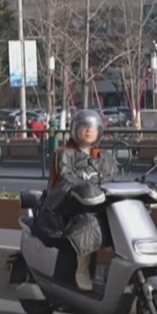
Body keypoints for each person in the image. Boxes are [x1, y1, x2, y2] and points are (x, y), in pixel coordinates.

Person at [38, 109, 118, 291]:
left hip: (98, 202)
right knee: (89, 222)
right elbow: (66, 179)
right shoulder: (64, 153)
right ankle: (81, 270)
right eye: (83, 127)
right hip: (66, 207)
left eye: (92, 128)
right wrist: (85, 188)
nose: (88, 131)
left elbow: (113, 178)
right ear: (75, 129)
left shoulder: (103, 157)